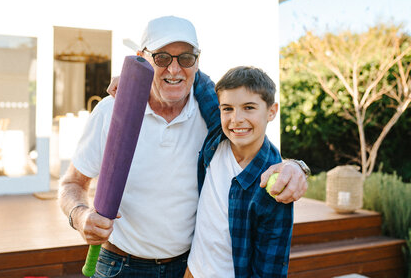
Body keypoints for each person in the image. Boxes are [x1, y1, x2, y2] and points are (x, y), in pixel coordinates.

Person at [59, 16, 308, 278]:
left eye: (186, 58)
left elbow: (254, 141)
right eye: (162, 57)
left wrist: (295, 166)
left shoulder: (212, 113)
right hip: (119, 265)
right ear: (141, 57)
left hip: (186, 268)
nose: (175, 69)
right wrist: (79, 215)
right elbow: (72, 184)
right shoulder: (110, 111)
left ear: (198, 61)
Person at [184, 66, 294, 278]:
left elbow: (269, 268)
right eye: (228, 108)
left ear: (271, 111)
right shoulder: (218, 134)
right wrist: (134, 78)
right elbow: (193, 74)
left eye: (249, 107)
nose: (236, 119)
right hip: (192, 271)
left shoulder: (275, 183)